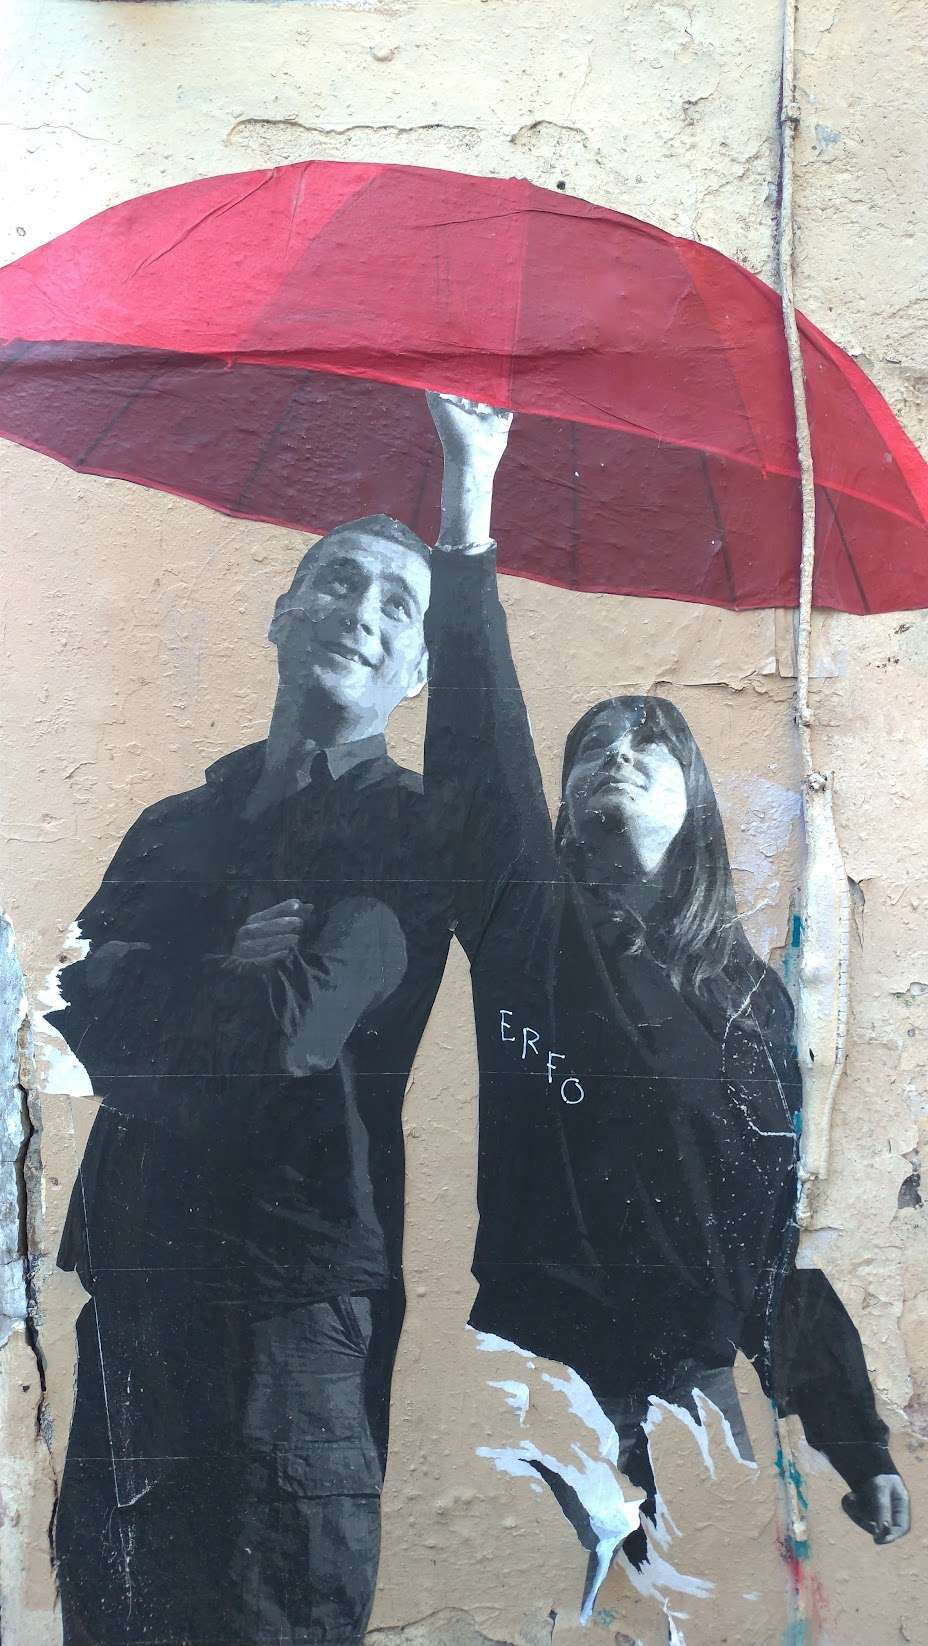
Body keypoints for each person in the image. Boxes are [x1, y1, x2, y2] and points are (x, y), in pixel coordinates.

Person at [421, 394, 911, 1612]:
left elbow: (768, 1250)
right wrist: (469, 498)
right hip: (545, 1376)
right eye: (593, 744)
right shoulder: (531, 931)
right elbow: (481, 756)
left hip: (696, 1396)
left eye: (649, 741)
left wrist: (861, 1443)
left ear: (693, 796)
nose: (616, 754)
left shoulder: (745, 1001)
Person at [51, 513, 469, 1645]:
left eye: (396, 604)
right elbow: (78, 1016)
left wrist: (166, 980)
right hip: (134, 1286)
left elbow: (295, 1026)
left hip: (293, 1305)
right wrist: (219, 963)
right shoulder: (173, 823)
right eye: (337, 582)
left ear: (421, 668)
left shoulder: (417, 825)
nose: (360, 611)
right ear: (282, 614)